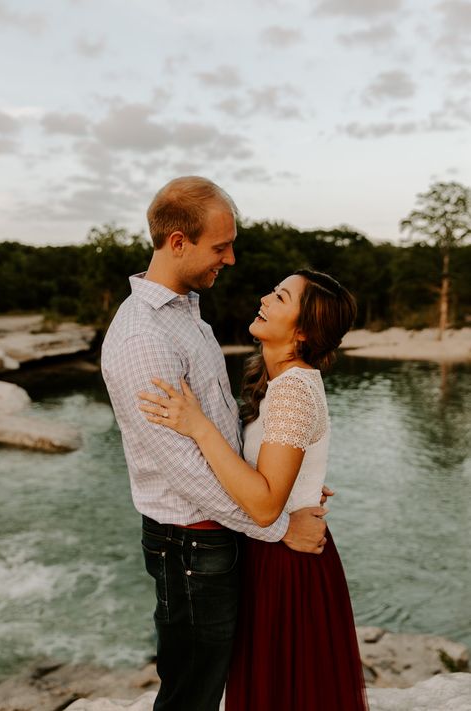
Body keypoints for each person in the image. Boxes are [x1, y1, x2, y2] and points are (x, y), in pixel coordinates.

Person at [101, 176, 332, 711]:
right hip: (190, 544)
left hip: (218, 539)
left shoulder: (186, 313)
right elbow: (188, 474)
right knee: (192, 692)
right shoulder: (144, 339)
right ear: (178, 242)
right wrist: (280, 525)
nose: (230, 259)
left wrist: (292, 482)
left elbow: (220, 431)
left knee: (214, 680)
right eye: (220, 246)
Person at [138, 268, 369, 710]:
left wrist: (196, 424)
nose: (265, 297)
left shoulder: (293, 392)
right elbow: (275, 476)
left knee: (284, 691)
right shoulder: (283, 385)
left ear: (302, 332)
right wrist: (304, 488)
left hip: (287, 563)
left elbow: (264, 505)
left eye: (281, 297)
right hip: (276, 550)